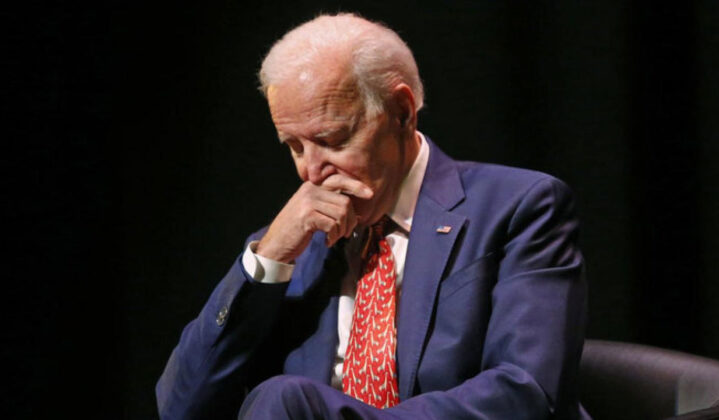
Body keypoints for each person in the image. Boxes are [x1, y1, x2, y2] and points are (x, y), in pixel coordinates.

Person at [156, 13, 589, 420]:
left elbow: (528, 392)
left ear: (401, 112)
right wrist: (267, 260)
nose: (311, 172)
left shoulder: (518, 207)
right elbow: (182, 407)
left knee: (285, 398)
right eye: (294, 147)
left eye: (331, 140)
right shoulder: (292, 248)